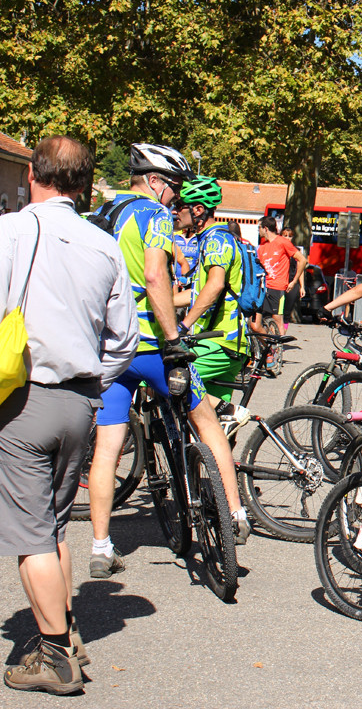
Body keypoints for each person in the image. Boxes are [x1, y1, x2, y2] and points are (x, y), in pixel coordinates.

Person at [0, 136, 138, 694]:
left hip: (23, 398)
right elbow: (124, 338)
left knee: (28, 533)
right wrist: (90, 382)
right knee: (54, 523)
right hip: (82, 402)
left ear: (33, 174)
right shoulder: (102, 245)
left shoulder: (9, 232)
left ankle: (54, 655)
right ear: (84, 187)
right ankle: (66, 627)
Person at [91, 147, 251, 585]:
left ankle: (101, 546)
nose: (174, 199)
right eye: (174, 188)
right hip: (150, 345)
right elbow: (156, 277)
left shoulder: (101, 214)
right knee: (206, 422)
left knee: (107, 447)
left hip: (109, 348)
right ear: (157, 181)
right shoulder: (154, 216)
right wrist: (175, 338)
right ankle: (235, 513)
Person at [171, 178, 253, 531]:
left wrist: (184, 326)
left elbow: (215, 286)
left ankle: (231, 411)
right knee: (210, 432)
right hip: (217, 340)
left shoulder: (218, 239)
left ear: (199, 210)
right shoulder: (207, 240)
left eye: (182, 206)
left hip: (220, 341)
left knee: (169, 377)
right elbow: (194, 292)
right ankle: (225, 505)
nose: (177, 212)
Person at [256, 216, 306, 333]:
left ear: (265, 228)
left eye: (259, 228)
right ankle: (266, 345)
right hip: (263, 287)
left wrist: (294, 281)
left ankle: (278, 346)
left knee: (277, 319)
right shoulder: (262, 246)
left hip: (277, 288)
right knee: (259, 320)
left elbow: (302, 260)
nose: (258, 230)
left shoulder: (282, 242)